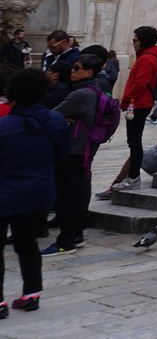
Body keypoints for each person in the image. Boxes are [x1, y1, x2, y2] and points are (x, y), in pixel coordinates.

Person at [0, 68, 69, 316]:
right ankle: (31, 295)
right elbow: (61, 154)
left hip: (4, 193)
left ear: (12, 93)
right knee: (27, 244)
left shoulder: (4, 126)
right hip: (37, 193)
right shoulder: (56, 121)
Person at [44, 53, 112, 256]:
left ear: (89, 72)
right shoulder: (96, 90)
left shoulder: (80, 94)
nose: (72, 71)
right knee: (75, 194)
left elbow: (52, 115)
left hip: (73, 150)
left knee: (67, 198)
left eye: (76, 68)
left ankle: (65, 241)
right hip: (85, 149)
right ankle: (76, 235)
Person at [96, 25, 157, 199]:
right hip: (140, 103)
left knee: (134, 142)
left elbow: (140, 84)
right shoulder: (148, 57)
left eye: (135, 40)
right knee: (134, 141)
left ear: (143, 41)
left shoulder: (147, 59)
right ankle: (131, 177)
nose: (133, 43)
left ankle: (133, 177)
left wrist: (124, 102)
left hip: (139, 104)